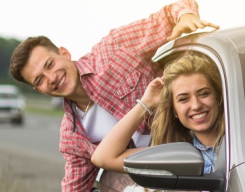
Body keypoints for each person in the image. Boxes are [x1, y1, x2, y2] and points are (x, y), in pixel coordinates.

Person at [9, 0, 218, 192]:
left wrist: (187, 17)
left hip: (205, 155)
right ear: (37, 90)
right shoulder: (73, 135)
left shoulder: (114, 49)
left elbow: (171, 12)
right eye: (38, 79)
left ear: (64, 53)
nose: (50, 78)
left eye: (49, 65)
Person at [92, 53, 225, 173]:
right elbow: (104, 157)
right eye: (183, 99)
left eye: (203, 94)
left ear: (217, 97)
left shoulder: (244, 135)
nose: (196, 105)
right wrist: (146, 104)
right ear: (174, 111)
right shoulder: (178, 157)